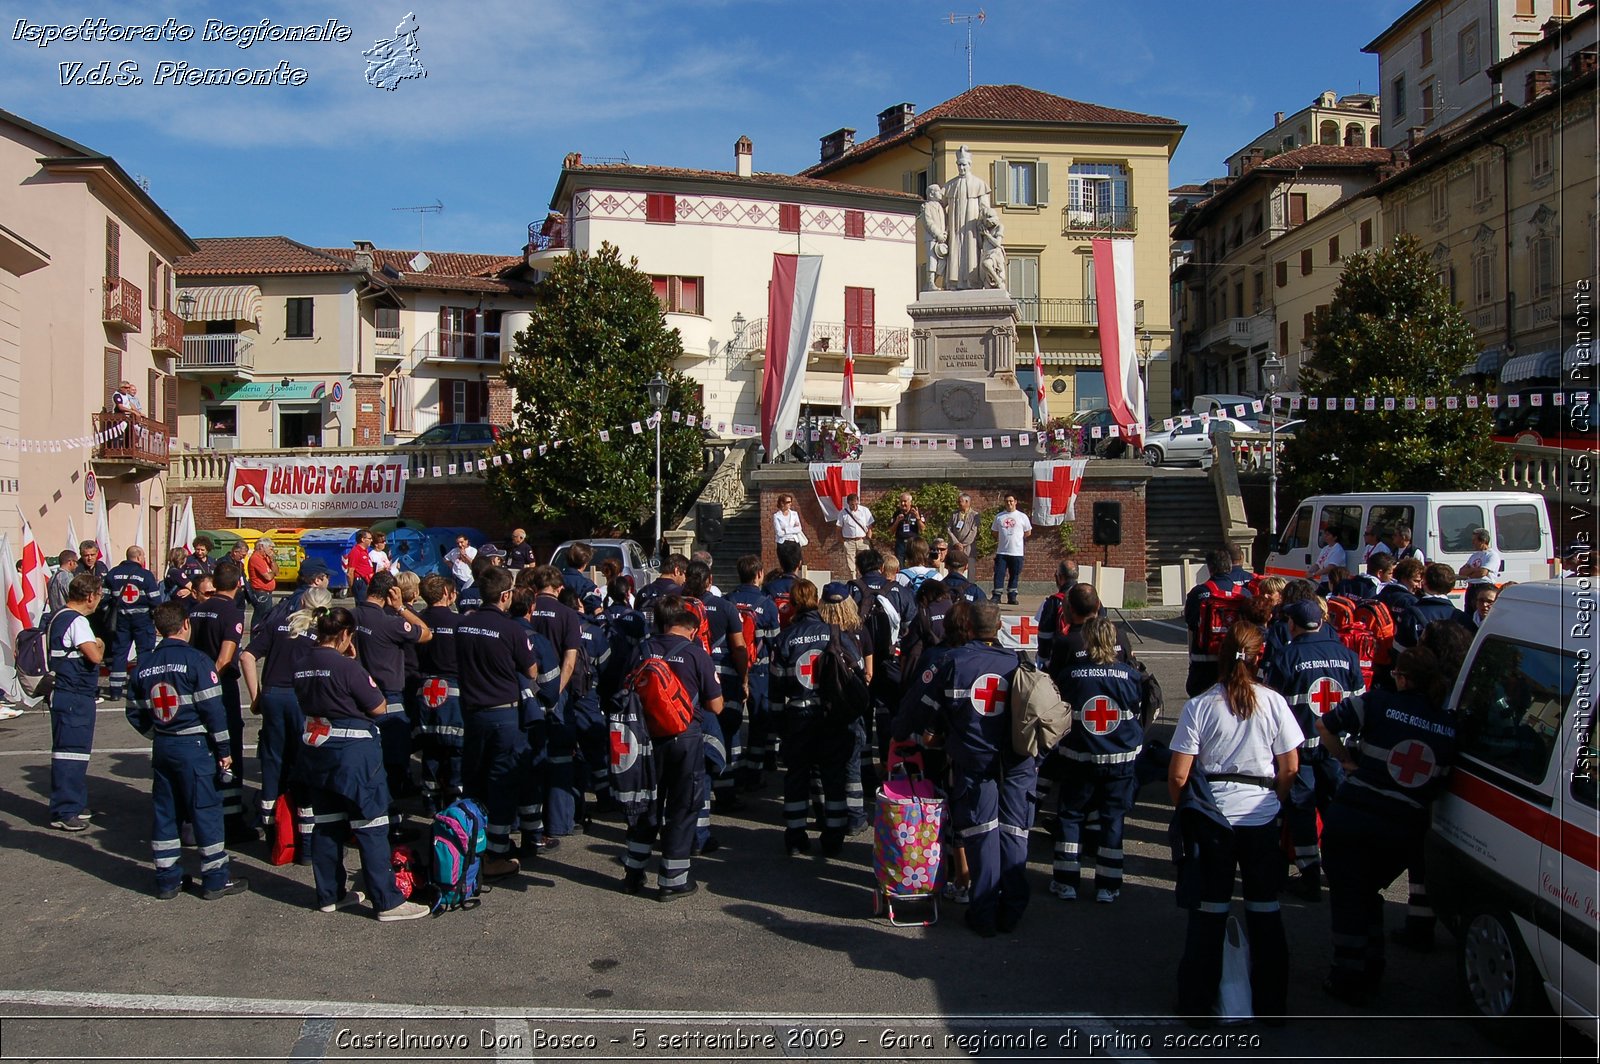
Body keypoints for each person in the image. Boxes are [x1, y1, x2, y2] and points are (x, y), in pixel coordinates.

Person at [1168, 622, 1301, 1022]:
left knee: (1208, 915)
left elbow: (1177, 775)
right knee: (1265, 912)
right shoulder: (1274, 702)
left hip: (1214, 823)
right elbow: (1290, 767)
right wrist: (1270, 803)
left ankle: (1196, 1004)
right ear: (1259, 657)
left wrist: (1190, 812)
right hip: (1261, 818)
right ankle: (1272, 1005)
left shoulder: (1200, 706)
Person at [1317, 646, 1457, 1003]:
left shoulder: (1376, 702)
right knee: (1368, 894)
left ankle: (1349, 975)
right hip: (1403, 828)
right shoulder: (1448, 726)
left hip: (1355, 816)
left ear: (1404, 678)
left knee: (1349, 898)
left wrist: (1347, 761)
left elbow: (1324, 726)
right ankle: (1372, 963)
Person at [899, 601, 1034, 936]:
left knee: (981, 832)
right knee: (1015, 832)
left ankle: (985, 912)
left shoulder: (951, 662)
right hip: (1017, 761)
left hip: (974, 761)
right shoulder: (1021, 661)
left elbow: (916, 708)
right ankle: (1013, 910)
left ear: (968, 628)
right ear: (1000, 625)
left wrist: (902, 732)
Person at [292, 606, 430, 921]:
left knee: (326, 823)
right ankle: (387, 900)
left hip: (316, 750)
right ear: (344, 635)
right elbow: (379, 707)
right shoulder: (348, 668)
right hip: (353, 753)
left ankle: (331, 894)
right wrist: (352, 661)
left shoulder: (301, 665)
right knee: (371, 825)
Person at [125, 602, 247, 900]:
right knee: (205, 810)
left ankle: (167, 880)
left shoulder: (144, 665)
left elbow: (134, 712)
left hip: (164, 746)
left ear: (158, 630)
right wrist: (224, 749)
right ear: (186, 625)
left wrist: (159, 734)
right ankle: (216, 878)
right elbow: (213, 711)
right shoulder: (197, 662)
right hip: (194, 746)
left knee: (166, 812)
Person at [455, 566, 560, 877]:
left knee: (474, 780)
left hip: (472, 713)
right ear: (505, 596)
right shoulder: (511, 629)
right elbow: (530, 672)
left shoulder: (465, 625)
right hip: (503, 714)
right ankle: (496, 853)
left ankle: (471, 841)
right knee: (502, 782)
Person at [1262, 598, 1367, 901]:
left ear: (1292, 625)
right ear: (1321, 621)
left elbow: (1274, 707)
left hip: (1299, 750)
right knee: (1336, 808)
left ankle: (1310, 876)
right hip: (1338, 751)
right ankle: (1342, 872)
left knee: (1302, 811)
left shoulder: (1286, 657)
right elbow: (1361, 704)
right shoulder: (1347, 656)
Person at [620, 594, 723, 900]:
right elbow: (716, 705)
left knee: (645, 806)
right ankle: (673, 880)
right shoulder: (696, 655)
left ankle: (633, 873)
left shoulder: (642, 650)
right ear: (690, 628)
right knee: (681, 807)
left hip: (644, 740)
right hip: (683, 740)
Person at [1052, 616, 1146, 904]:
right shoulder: (1130, 676)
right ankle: (1108, 885)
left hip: (1079, 757)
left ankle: (1066, 882)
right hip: (1119, 759)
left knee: (1071, 815)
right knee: (1113, 818)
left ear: (1089, 642)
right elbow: (1136, 709)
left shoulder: (1070, 675)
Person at [770, 580, 862, 856]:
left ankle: (796, 836)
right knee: (833, 777)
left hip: (798, 715)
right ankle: (834, 837)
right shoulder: (836, 633)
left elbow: (775, 689)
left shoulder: (784, 638)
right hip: (831, 716)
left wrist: (778, 726)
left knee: (796, 777)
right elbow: (855, 675)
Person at [240, 587, 327, 838]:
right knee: (303, 758)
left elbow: (247, 657)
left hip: (273, 696)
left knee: (272, 756)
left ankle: (269, 821)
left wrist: (256, 697)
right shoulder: (320, 632)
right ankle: (306, 827)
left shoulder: (279, 624)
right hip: (301, 699)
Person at [353, 571, 431, 831]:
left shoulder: (354, 616)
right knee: (391, 758)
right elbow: (425, 633)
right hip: (389, 696)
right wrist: (400, 609)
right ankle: (387, 816)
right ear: (390, 594)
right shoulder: (390, 622)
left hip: (360, 696)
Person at [683, 560, 748, 842]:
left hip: (689, 680)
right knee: (725, 733)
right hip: (725, 679)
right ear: (709, 580)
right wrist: (744, 678)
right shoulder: (725, 608)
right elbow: (739, 647)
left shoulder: (679, 609)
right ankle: (725, 790)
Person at [188, 564, 251, 839]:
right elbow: (226, 658)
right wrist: (210, 683)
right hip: (218, 686)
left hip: (193, 681)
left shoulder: (196, 609)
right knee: (229, 745)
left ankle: (202, 808)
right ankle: (231, 818)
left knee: (206, 746)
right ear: (238, 584)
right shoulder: (231, 612)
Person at [525, 564, 585, 843]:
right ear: (559, 588)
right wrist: (555, 692)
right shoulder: (568, 614)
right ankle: (559, 822)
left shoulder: (527, 610)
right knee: (560, 756)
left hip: (526, 691)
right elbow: (570, 661)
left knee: (531, 753)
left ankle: (528, 822)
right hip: (557, 693)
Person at [46, 572, 105, 830]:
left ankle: (73, 804)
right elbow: (94, 656)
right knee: (71, 753)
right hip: (75, 695)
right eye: (99, 595)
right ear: (90, 596)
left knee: (74, 752)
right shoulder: (78, 622)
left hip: (64, 692)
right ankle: (65, 810)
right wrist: (100, 643)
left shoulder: (57, 616)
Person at [412, 575, 463, 815]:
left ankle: (430, 801)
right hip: (453, 694)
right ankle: (455, 800)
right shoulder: (459, 623)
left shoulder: (418, 622)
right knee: (455, 749)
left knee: (430, 749)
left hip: (424, 691)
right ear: (446, 592)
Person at [728, 554, 780, 789]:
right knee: (759, 720)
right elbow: (775, 642)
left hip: (731, 669)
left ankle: (733, 766)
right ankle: (755, 771)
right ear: (759, 575)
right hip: (759, 669)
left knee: (732, 720)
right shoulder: (766, 604)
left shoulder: (728, 601)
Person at [1184, 549, 1245, 697]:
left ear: (1209, 569)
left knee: (1201, 704)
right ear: (1230, 567)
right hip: (1235, 661)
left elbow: (1191, 626)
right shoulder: (1244, 594)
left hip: (1203, 661)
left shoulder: (1197, 593)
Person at [104, 546, 161, 702]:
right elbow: (156, 601)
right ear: (139, 557)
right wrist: (156, 618)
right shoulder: (146, 575)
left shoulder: (112, 574)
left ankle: (115, 690)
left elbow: (103, 600)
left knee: (119, 653)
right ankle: (142, 688)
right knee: (144, 653)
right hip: (143, 621)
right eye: (143, 556)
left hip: (121, 621)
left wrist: (111, 614)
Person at [943, 144, 993, 289]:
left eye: (964, 165)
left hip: (972, 226)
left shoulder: (979, 184)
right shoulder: (950, 185)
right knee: (955, 249)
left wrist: (987, 223)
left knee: (972, 251)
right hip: (955, 226)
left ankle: (973, 282)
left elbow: (985, 208)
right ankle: (954, 282)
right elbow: (940, 205)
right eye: (959, 165)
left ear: (969, 165)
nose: (961, 168)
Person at [1396, 563, 1464, 648]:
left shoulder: (1409, 615)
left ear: (1424, 583)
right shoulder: (1462, 618)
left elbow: (1400, 651)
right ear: (1451, 587)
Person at [1036, 560, 1081, 670]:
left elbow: (1045, 635)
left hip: (1060, 658)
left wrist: (1042, 660)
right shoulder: (1090, 597)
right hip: (1087, 658)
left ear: (1060, 577)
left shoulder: (1054, 601)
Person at [990, 494, 1032, 606]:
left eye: (1011, 501)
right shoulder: (999, 517)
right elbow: (994, 532)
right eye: (1007, 501)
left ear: (1015, 502)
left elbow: (1028, 532)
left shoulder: (1022, 517)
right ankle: (997, 595)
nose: (1009, 503)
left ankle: (1012, 596)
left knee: (1014, 574)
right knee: (999, 573)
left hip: (1017, 552)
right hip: (1002, 552)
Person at [1458, 527, 1503, 615]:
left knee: (1480, 613)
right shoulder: (1474, 556)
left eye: (1475, 540)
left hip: (1483, 587)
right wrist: (1474, 570)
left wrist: (1470, 572)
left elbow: (1482, 573)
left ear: (1482, 540)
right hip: (1471, 588)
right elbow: (1462, 572)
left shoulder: (1492, 555)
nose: (1473, 543)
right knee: (1469, 614)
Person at [836, 492, 874, 578]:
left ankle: (865, 579)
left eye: (856, 503)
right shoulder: (843, 513)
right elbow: (838, 529)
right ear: (848, 503)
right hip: (849, 541)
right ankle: (853, 581)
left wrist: (869, 536)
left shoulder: (865, 510)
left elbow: (870, 525)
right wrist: (843, 542)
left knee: (865, 561)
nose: (854, 506)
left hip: (862, 540)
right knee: (851, 565)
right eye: (852, 504)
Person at [889, 492, 924, 566]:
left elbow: (923, 529)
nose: (902, 503)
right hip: (900, 543)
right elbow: (891, 531)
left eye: (905, 501)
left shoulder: (916, 512)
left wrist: (918, 518)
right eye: (901, 501)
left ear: (910, 502)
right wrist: (897, 521)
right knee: (900, 565)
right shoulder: (896, 513)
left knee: (914, 564)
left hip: (912, 543)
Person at [247, 537, 277, 616]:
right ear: (261, 547)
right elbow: (268, 577)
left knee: (266, 616)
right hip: (261, 593)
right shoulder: (256, 558)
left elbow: (277, 572)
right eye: (270, 549)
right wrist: (273, 572)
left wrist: (272, 560)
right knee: (261, 616)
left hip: (268, 592)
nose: (272, 551)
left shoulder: (266, 558)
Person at [344, 529, 375, 603]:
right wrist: (351, 587)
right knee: (362, 604)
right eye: (369, 538)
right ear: (363, 539)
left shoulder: (365, 551)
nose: (371, 540)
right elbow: (350, 572)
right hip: (360, 582)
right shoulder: (356, 552)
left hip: (367, 581)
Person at [946, 493, 980, 559]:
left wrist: (963, 545)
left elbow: (973, 531)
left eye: (960, 502)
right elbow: (948, 529)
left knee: (970, 567)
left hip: (968, 547)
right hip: (954, 547)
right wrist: (956, 543)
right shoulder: (954, 514)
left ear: (967, 502)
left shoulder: (975, 515)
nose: (958, 503)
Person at [47, 550, 77, 615]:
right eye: (76, 562)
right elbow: (74, 599)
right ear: (71, 562)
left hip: (55, 616)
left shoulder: (52, 577)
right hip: (67, 616)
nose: (77, 565)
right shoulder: (67, 577)